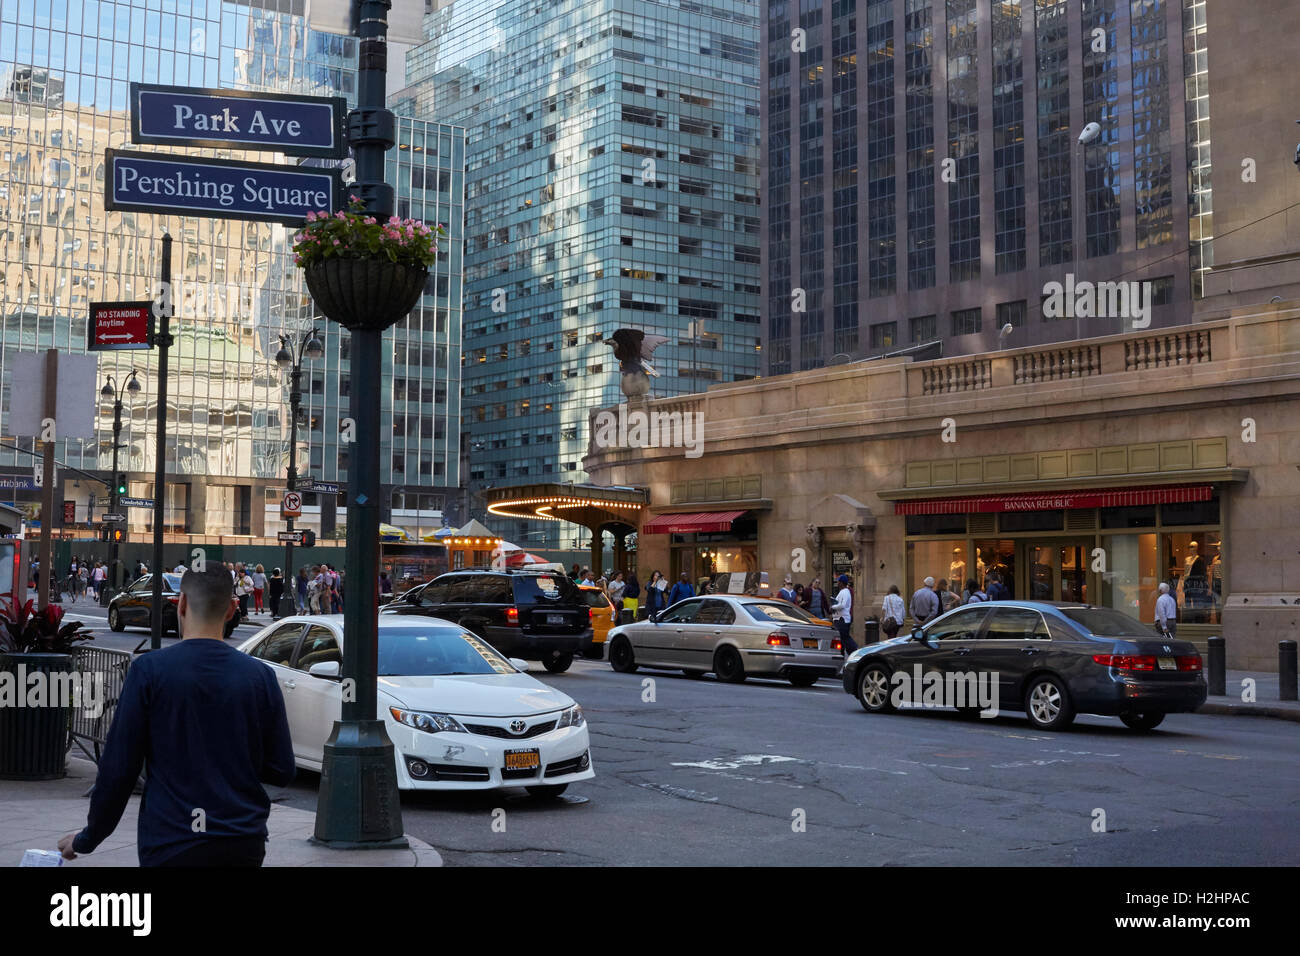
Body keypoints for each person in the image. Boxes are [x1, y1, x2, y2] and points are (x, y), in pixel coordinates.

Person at [57, 565, 295, 866]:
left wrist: (88, 838)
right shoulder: (260, 677)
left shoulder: (150, 671)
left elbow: (119, 769)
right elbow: (282, 769)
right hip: (242, 841)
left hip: (171, 840)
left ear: (181, 603)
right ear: (233, 608)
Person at [832, 574, 856, 656]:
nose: (837, 583)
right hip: (839, 619)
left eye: (838, 581)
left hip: (842, 619)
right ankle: (842, 653)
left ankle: (855, 652)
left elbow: (842, 605)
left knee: (844, 637)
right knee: (841, 638)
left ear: (841, 583)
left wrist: (833, 607)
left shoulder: (845, 592)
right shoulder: (843, 592)